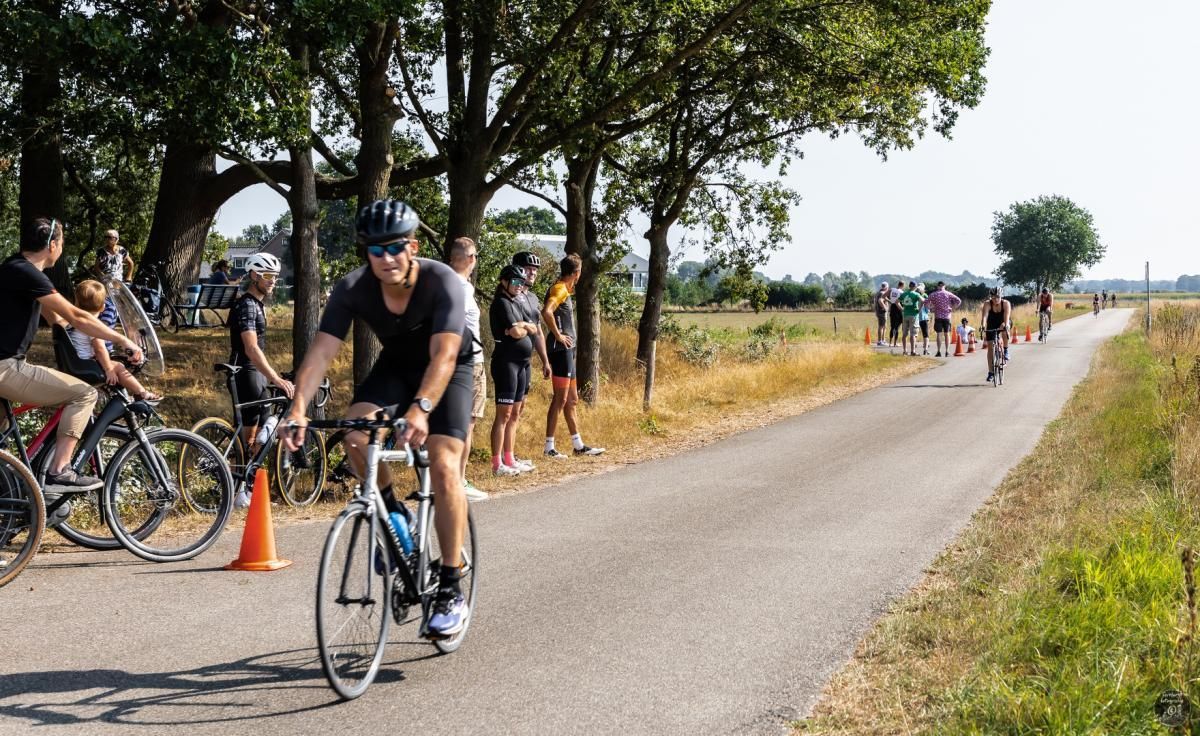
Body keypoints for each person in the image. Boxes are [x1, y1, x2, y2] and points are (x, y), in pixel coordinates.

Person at [284, 199, 474, 637]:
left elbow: (444, 355)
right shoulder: (353, 288)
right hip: (396, 367)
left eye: (394, 247)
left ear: (413, 247)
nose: (386, 258)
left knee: (444, 464)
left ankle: (450, 586)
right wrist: (297, 408)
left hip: (449, 370)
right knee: (354, 433)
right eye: (375, 249)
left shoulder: (442, 281)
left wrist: (421, 409)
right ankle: (394, 516)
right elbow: (322, 352)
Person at [0, 218, 144, 496]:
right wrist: (123, 340)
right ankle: (59, 471)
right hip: (5, 367)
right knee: (84, 395)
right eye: (62, 243)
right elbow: (76, 317)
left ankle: (11, 497)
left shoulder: (13, 268)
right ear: (52, 245)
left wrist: (84, 331)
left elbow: (57, 317)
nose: (62, 248)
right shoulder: (28, 273)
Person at [228, 252, 294, 506]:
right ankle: (239, 492)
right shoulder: (247, 305)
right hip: (245, 372)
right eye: (267, 276)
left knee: (265, 430)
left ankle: (248, 488)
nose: (273, 281)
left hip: (253, 373)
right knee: (251, 437)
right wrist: (275, 378)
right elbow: (251, 348)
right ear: (254, 275)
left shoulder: (257, 304)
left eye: (275, 277)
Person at [542, 254, 604, 459]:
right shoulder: (560, 289)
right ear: (576, 273)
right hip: (561, 351)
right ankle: (549, 448)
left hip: (568, 351)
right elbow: (547, 312)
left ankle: (578, 446)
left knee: (572, 399)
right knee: (560, 398)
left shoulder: (565, 290)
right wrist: (558, 335)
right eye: (580, 271)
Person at [67, 280, 161, 401]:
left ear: (76, 303)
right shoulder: (93, 326)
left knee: (113, 362)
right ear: (103, 307)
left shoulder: (73, 322)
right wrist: (109, 369)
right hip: (85, 365)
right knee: (118, 366)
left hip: (73, 362)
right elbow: (99, 349)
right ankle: (142, 393)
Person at [448, 237, 488, 501]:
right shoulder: (461, 288)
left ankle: (449, 477)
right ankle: (458, 479)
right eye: (475, 256)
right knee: (467, 423)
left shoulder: (447, 284)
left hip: (457, 361)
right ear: (471, 259)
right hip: (469, 362)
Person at [489, 265, 535, 477]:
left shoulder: (516, 301)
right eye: (515, 281)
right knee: (504, 414)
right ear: (504, 281)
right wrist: (520, 328)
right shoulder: (501, 302)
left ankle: (510, 458)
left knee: (515, 413)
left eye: (522, 282)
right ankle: (497, 463)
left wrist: (522, 324)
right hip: (506, 363)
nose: (519, 286)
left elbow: (532, 327)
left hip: (522, 363)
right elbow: (516, 333)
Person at [507, 251, 551, 472]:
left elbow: (538, 332)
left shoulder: (532, 298)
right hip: (510, 360)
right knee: (509, 410)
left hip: (527, 360)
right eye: (528, 268)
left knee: (520, 408)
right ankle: (505, 456)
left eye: (535, 269)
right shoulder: (512, 296)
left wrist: (545, 360)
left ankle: (511, 454)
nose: (532, 273)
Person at [980, 288, 1011, 382]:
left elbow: (1006, 317)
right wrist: (983, 326)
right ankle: (991, 372)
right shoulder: (987, 304)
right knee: (990, 347)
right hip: (992, 323)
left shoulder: (1006, 303)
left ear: (1001, 296)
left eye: (998, 297)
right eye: (993, 297)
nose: (995, 299)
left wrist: (1006, 325)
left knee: (1004, 327)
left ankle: (1006, 349)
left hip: (1003, 321)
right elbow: (984, 317)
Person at [925, 281, 962, 357]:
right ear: (944, 286)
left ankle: (938, 351)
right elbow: (959, 300)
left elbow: (926, 302)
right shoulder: (948, 294)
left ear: (938, 286)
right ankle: (947, 351)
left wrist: (931, 308)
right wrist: (953, 308)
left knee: (939, 334)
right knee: (947, 333)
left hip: (938, 316)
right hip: (947, 316)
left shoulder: (933, 294)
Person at [898, 281, 924, 356]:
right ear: (915, 287)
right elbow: (923, 301)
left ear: (909, 286)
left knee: (904, 334)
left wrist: (902, 309)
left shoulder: (904, 294)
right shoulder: (916, 294)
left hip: (905, 315)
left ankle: (905, 351)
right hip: (913, 315)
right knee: (913, 334)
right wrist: (919, 309)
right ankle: (913, 351)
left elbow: (896, 302)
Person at [916, 283, 930, 355]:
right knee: (926, 334)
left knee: (915, 333)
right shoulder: (925, 296)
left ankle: (914, 348)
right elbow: (927, 309)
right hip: (924, 317)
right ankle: (925, 349)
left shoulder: (914, 296)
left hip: (915, 317)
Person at [887, 281, 903, 347]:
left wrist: (890, 301)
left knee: (892, 326)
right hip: (898, 309)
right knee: (897, 327)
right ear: (902, 285)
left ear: (898, 284)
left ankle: (890, 343)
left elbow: (883, 296)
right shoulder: (902, 292)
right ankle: (895, 343)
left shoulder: (892, 289)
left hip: (892, 307)